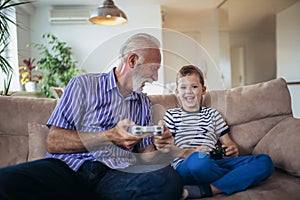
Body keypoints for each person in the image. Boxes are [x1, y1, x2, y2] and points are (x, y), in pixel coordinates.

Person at [0, 33, 183, 200]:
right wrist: (109, 136)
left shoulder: (143, 102)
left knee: (167, 180)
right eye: (153, 68)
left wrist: (161, 146)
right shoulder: (83, 85)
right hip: (70, 169)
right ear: (133, 61)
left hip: (116, 176)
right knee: (6, 181)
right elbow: (53, 142)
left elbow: (146, 157)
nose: (156, 77)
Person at [163, 65, 274, 199]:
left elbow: (229, 144)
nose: (189, 92)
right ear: (177, 91)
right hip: (186, 165)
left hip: (215, 163)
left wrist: (232, 150)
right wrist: (191, 152)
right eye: (183, 87)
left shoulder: (213, 114)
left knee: (265, 162)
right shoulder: (171, 115)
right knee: (198, 161)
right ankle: (234, 179)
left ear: (203, 90)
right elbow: (166, 149)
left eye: (194, 86)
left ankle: (209, 189)